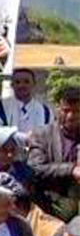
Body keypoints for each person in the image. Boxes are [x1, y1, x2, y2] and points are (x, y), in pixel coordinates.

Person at [25, 85, 80, 223]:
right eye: (66, 110)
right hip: (51, 201)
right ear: (57, 109)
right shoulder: (42, 134)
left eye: (76, 111)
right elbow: (35, 168)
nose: (71, 116)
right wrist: (71, 169)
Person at [0, 68, 51, 133]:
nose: (21, 85)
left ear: (34, 84)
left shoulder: (45, 111)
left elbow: (49, 135)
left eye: (26, 82)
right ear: (12, 85)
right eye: (17, 82)